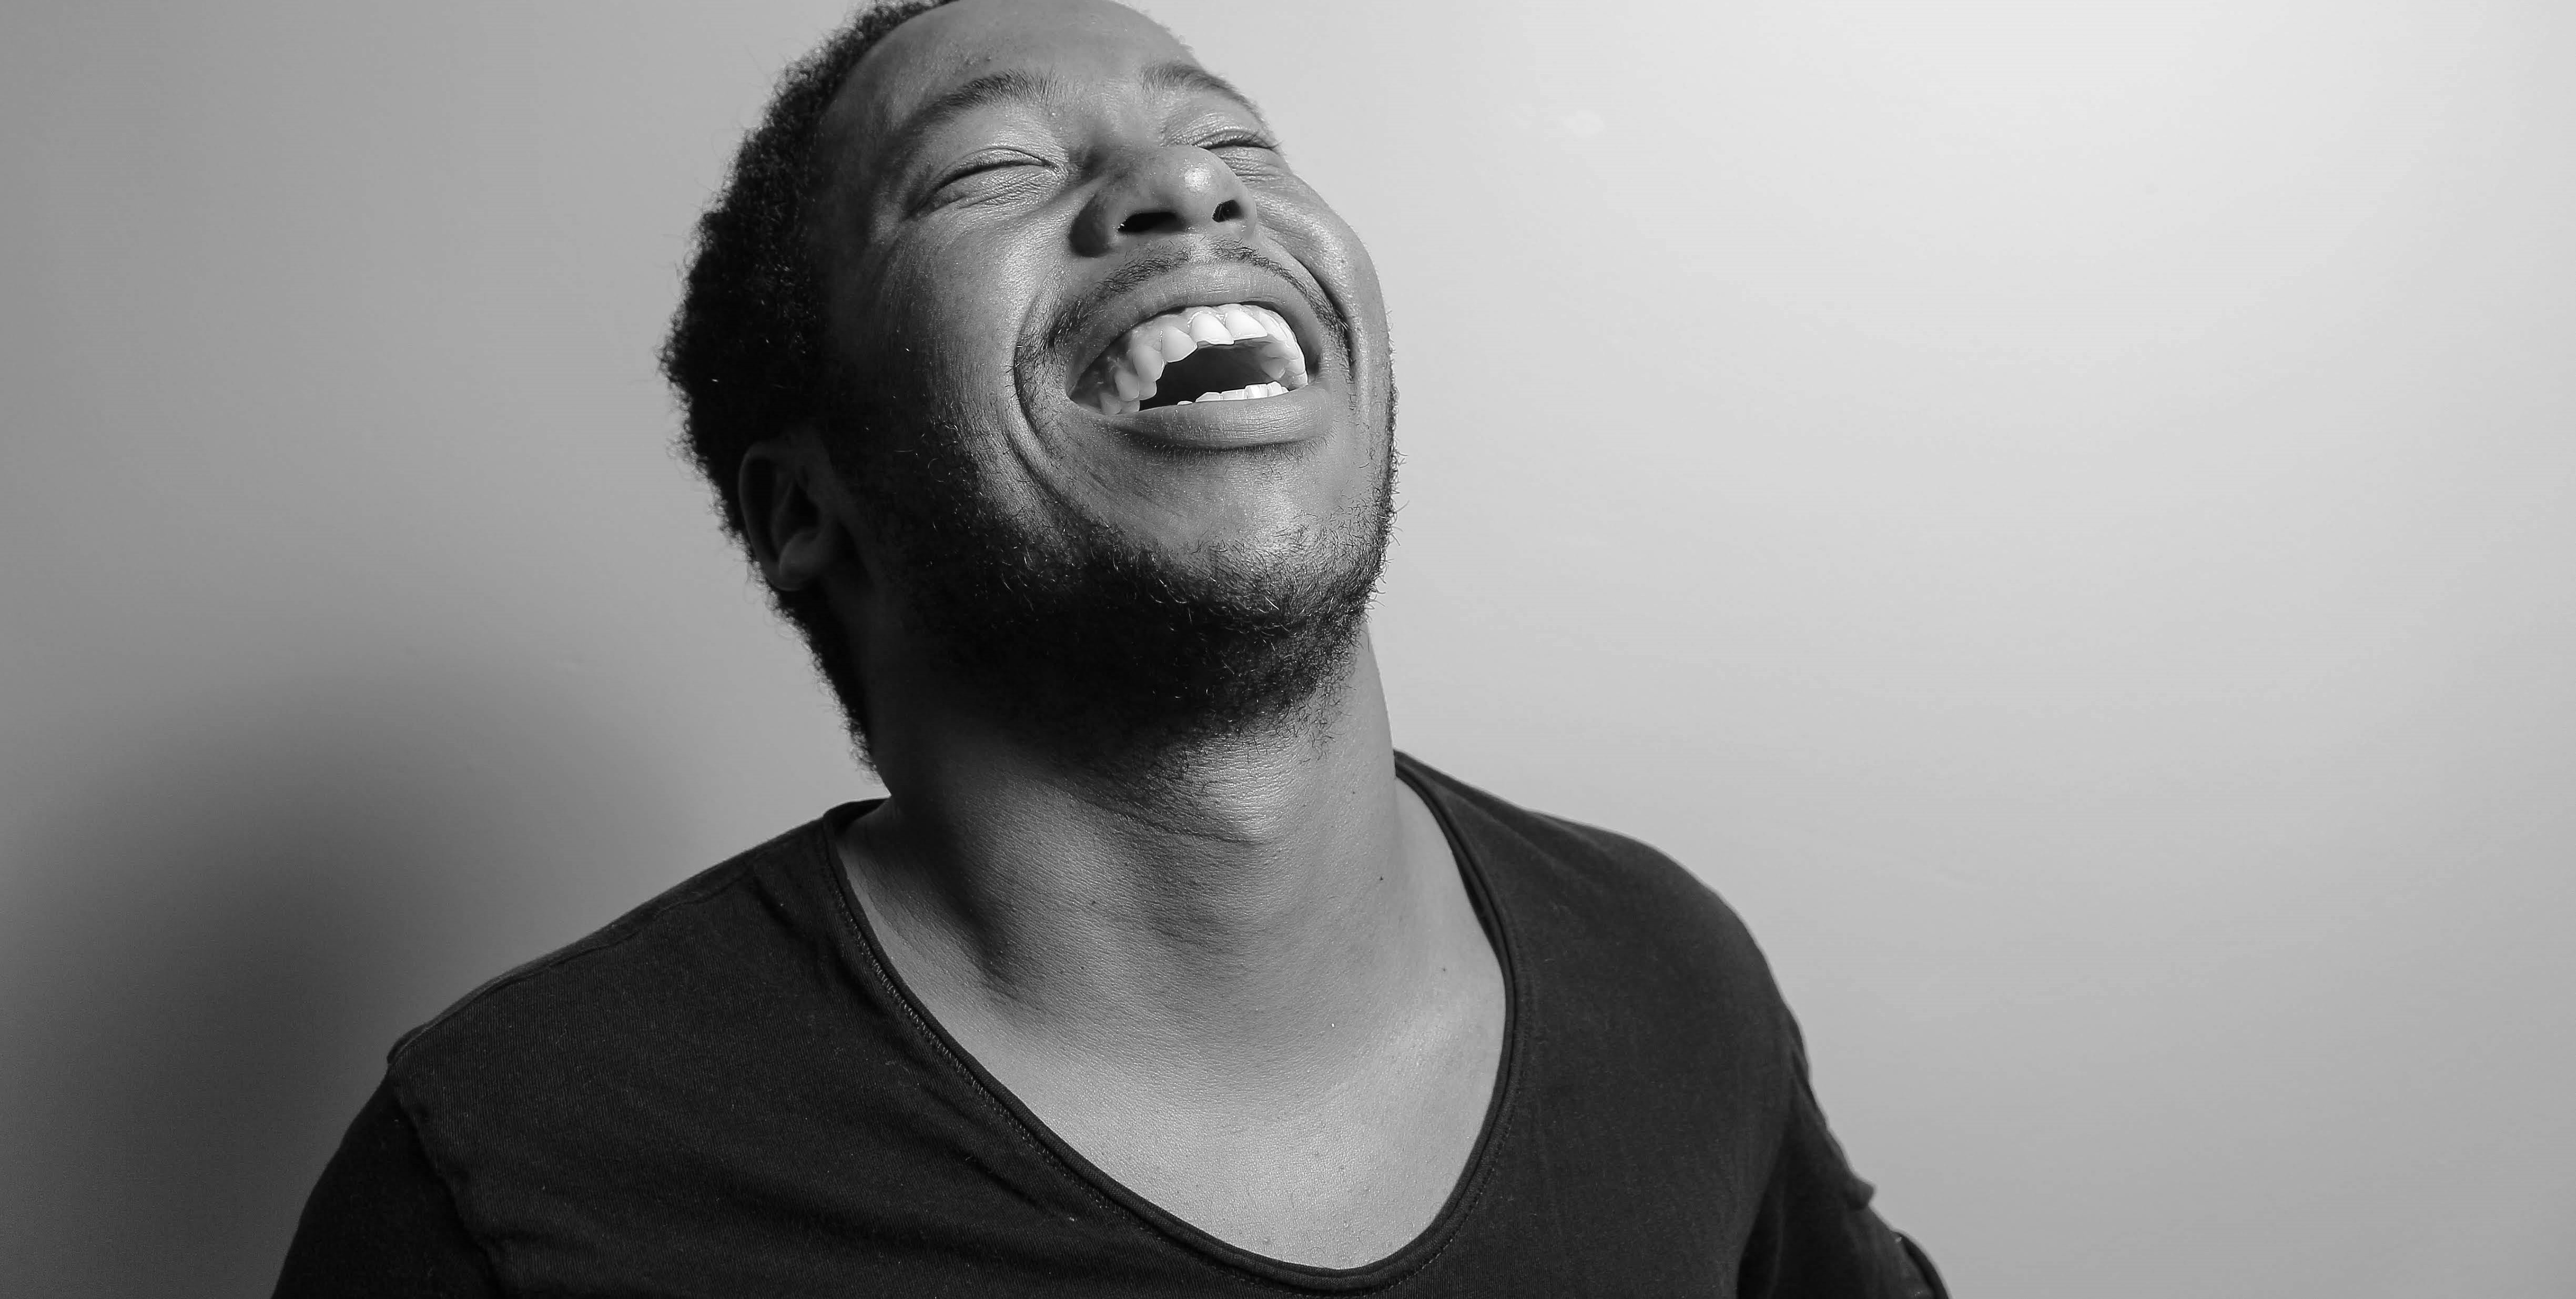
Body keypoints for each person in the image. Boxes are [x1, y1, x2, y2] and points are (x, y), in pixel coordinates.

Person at [275, 1, 1946, 1293]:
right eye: (990, 168)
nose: (1188, 185)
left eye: (1235, 140)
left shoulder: (1668, 978)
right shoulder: (518, 1173)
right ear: (807, 507)